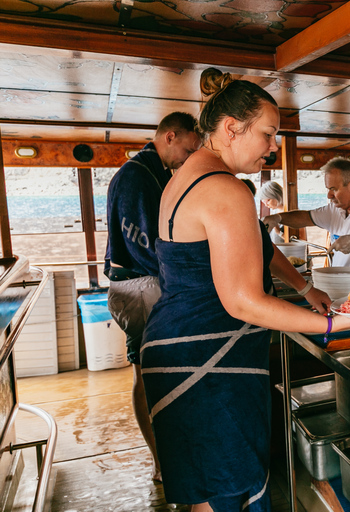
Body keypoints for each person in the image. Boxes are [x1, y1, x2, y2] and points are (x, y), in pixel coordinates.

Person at [141, 77, 350, 511]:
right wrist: (333, 322)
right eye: (266, 134)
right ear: (231, 128)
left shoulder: (186, 176)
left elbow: (257, 249)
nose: (272, 146)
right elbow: (242, 301)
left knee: (207, 490)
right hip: (209, 358)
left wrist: (305, 287)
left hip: (177, 345)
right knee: (227, 488)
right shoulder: (226, 189)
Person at [104, 111, 201, 481]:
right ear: (171, 136)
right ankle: (162, 461)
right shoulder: (135, 176)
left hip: (141, 283)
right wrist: (183, 275)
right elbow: (141, 242)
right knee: (147, 376)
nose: (189, 158)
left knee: (160, 371)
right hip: (141, 286)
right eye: (189, 149)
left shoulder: (152, 172)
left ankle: (171, 452)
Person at [264, 157, 350, 274]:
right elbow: (306, 217)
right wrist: (279, 218)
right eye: (328, 189)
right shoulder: (334, 209)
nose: (329, 195)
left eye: (334, 189)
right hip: (340, 289)